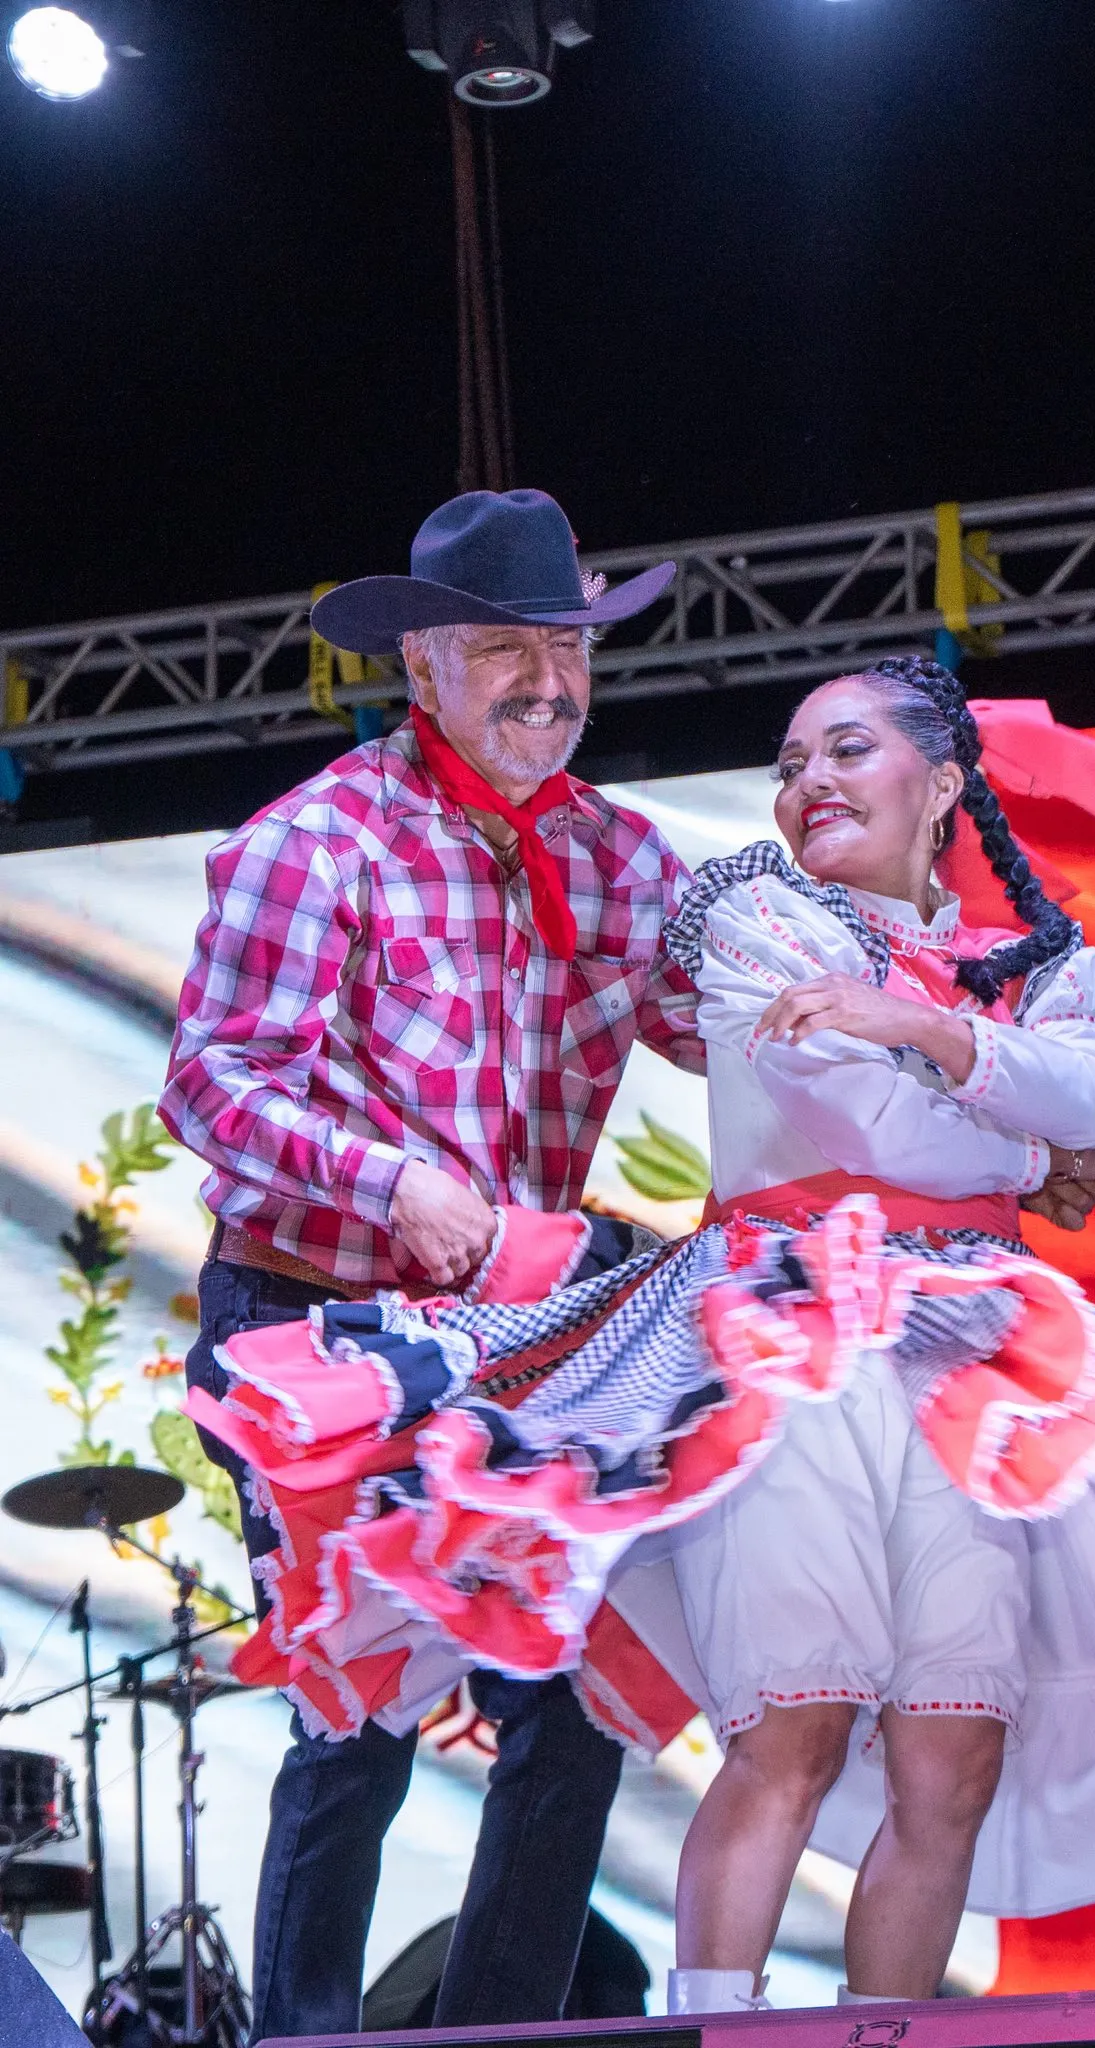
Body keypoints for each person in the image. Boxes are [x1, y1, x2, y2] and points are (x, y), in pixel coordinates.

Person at [184, 660, 1095, 2020]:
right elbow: (866, 1121)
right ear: (424, 662)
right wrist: (1022, 1147)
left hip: (970, 1353)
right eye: (792, 762)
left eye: (846, 751)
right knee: (768, 1727)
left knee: (947, 1759)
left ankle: (836, 2030)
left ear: (941, 781)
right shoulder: (746, 912)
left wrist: (925, 1034)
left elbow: (1087, 1092)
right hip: (773, 1341)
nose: (808, 782)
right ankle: (651, 2026)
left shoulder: (1004, 950)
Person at [158, 487, 700, 2042]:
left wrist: (917, 1017)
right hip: (318, 1325)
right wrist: (392, 1181)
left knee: (577, 1703)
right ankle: (306, 2036)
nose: (548, 680)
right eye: (506, 650)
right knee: (362, 1716)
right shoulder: (315, 842)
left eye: (568, 649)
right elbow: (212, 1083)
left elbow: (727, 1028)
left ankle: (493, 2033)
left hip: (512, 1341)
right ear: (421, 666)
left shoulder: (621, 857)